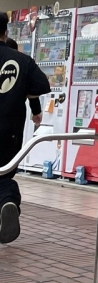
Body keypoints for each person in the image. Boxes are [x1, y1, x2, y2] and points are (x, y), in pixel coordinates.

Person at [0, 14, 51, 245]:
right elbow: (40, 85)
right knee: (3, 173)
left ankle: (6, 203)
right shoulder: (21, 60)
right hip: (8, 130)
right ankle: (8, 201)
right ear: (5, 33)